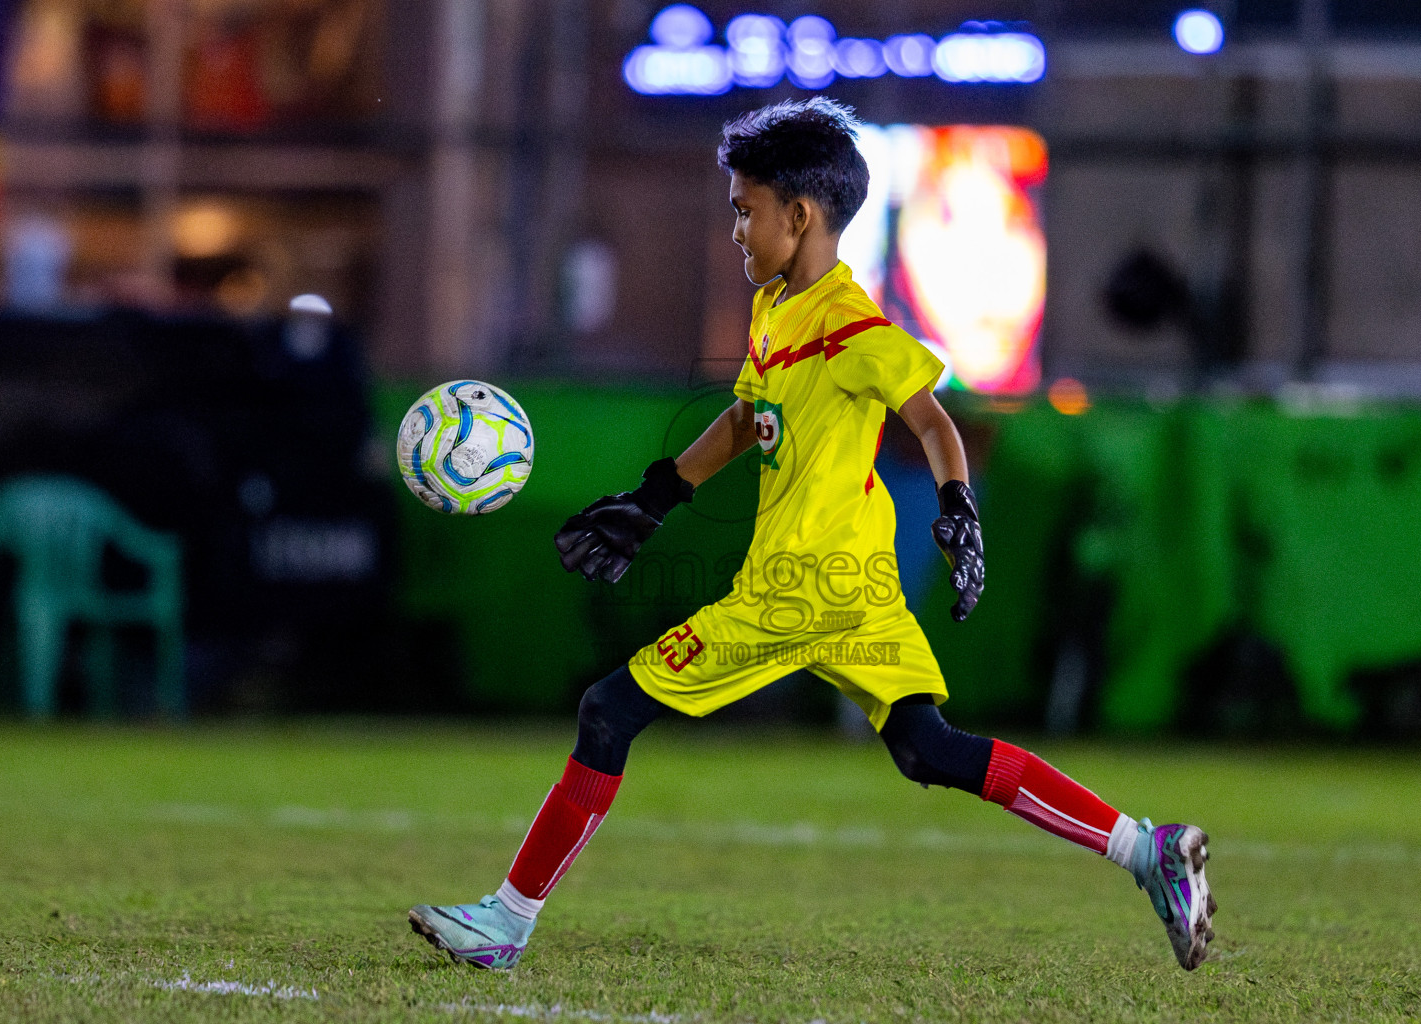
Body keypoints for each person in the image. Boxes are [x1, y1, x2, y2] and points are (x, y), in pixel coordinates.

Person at [408, 98, 1216, 973]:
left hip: (795, 590)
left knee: (607, 711)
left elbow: (936, 424)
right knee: (928, 748)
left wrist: (959, 510)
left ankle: (505, 921)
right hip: (854, 587)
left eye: (743, 209)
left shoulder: (851, 325)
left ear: (798, 215)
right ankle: (1146, 849)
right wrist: (655, 496)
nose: (736, 229)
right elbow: (744, 418)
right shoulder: (774, 313)